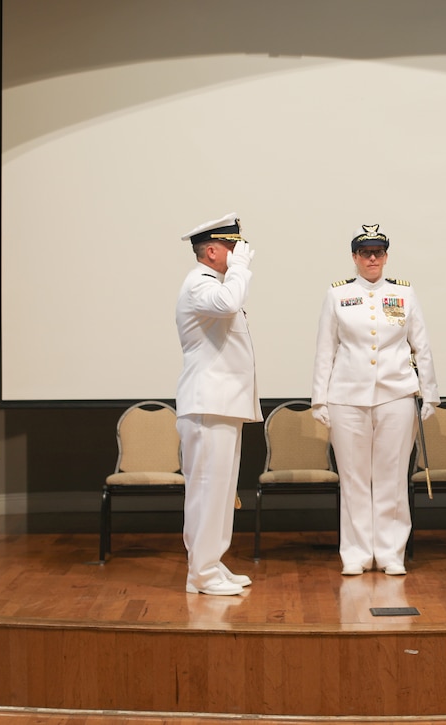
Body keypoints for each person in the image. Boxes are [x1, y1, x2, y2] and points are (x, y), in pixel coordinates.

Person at [312, 224, 439, 576]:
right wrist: (319, 399)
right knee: (353, 476)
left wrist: (429, 392)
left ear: (386, 256)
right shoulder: (337, 295)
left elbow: (421, 346)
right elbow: (326, 348)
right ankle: (355, 552)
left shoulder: (404, 294)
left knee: (392, 475)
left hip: (396, 392)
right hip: (347, 394)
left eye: (378, 252)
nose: (372, 258)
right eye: (365, 252)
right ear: (354, 257)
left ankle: (389, 551)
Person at [176, 213, 262, 596]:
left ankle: (210, 563)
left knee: (222, 490)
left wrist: (237, 269)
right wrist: (240, 269)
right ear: (212, 250)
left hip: (222, 403)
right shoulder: (200, 284)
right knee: (208, 489)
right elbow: (228, 304)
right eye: (231, 246)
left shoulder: (212, 283)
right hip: (208, 403)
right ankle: (202, 573)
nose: (238, 251)